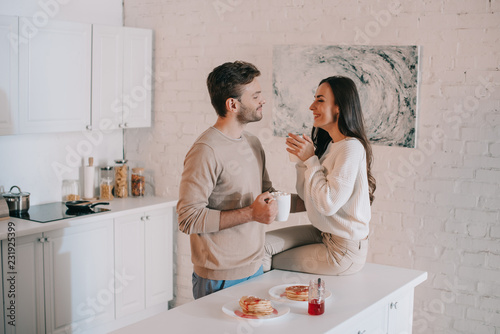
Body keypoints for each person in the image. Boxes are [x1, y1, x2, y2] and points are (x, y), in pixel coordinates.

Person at [177, 61, 278, 299]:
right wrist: (251, 214)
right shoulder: (205, 150)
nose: (262, 101)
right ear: (232, 104)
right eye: (255, 96)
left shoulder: (252, 142)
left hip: (255, 269)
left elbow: (267, 196)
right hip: (219, 279)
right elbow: (187, 218)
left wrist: (320, 200)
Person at [264, 75, 376, 275]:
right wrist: (302, 161)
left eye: (320, 100)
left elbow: (327, 204)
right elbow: (310, 199)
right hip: (324, 233)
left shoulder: (351, 148)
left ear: (339, 107)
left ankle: (259, 305)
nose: (311, 106)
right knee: (261, 245)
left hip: (342, 250)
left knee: (265, 255)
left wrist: (310, 160)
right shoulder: (331, 147)